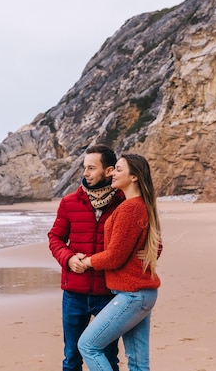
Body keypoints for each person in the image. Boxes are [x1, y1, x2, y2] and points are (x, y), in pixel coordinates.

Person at [76, 153, 162, 371]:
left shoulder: (129, 208)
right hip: (143, 293)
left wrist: (87, 262)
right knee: (138, 362)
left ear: (134, 177)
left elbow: (114, 256)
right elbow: (154, 244)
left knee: (88, 345)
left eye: (119, 169)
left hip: (132, 294)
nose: (113, 173)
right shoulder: (141, 205)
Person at [48, 144, 125, 371]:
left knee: (109, 357)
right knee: (71, 357)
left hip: (109, 294)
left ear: (109, 170)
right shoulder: (70, 202)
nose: (85, 173)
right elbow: (55, 238)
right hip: (74, 294)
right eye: (85, 168)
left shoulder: (123, 202)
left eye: (92, 168)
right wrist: (68, 258)